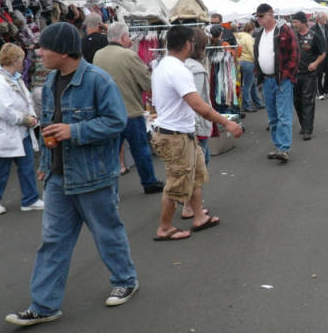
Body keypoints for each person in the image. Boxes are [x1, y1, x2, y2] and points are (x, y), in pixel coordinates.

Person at [6, 22, 138, 327]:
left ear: (63, 51)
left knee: (107, 233)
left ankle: (126, 280)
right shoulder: (51, 81)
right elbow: (49, 126)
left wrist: (74, 131)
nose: (39, 53)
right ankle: (44, 305)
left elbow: (117, 122)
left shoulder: (98, 80)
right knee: (52, 241)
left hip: (94, 175)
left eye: (44, 48)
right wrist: (44, 164)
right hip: (58, 176)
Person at [150, 26, 244, 241]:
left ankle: (199, 216)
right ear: (187, 44)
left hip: (180, 133)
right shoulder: (178, 70)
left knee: (195, 176)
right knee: (176, 184)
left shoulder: (163, 65)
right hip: (175, 136)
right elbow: (199, 105)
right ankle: (164, 228)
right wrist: (227, 123)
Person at [93, 22, 164, 195]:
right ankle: (149, 182)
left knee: (110, 152)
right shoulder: (129, 55)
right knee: (140, 149)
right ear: (124, 37)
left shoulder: (98, 55)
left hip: (107, 112)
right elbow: (146, 82)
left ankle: (109, 188)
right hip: (130, 110)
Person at [0, 43, 43, 215]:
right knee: (1, 168)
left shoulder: (15, 78)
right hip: (4, 132)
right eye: (22, 59)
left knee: (27, 166)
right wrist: (23, 119)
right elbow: (3, 110)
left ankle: (30, 199)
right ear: (15, 61)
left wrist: (31, 116)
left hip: (20, 131)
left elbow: (27, 100)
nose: (24, 63)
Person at [253, 3, 299, 163]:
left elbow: (295, 54)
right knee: (272, 117)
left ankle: (284, 148)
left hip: (281, 79)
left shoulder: (284, 30)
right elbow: (257, 55)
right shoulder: (260, 33)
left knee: (283, 115)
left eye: (261, 16)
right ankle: (279, 146)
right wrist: (258, 73)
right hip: (267, 79)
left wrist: (286, 75)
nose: (258, 19)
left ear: (270, 14)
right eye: (257, 16)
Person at [291, 11, 325, 140]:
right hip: (294, 75)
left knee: (308, 101)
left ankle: (308, 129)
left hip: (309, 75)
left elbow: (323, 53)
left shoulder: (314, 36)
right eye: (293, 22)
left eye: (295, 22)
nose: (293, 24)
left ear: (303, 22)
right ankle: (303, 124)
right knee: (297, 101)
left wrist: (315, 63)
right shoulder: (292, 36)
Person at [183, 28, 213, 166]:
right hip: (195, 125)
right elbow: (197, 103)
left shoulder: (173, 64)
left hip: (185, 124)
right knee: (200, 163)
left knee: (200, 160)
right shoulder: (196, 69)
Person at [236, 22, 264, 112]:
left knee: (251, 84)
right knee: (248, 85)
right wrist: (258, 62)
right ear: (252, 29)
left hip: (241, 61)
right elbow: (253, 51)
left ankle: (257, 103)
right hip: (249, 62)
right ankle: (247, 105)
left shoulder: (239, 37)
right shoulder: (248, 38)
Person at [311, 12, 328, 100]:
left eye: (326, 18)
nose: (325, 20)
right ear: (319, 19)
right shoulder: (313, 29)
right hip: (319, 55)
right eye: (324, 18)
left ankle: (327, 91)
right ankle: (320, 92)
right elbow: (312, 43)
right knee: (319, 74)